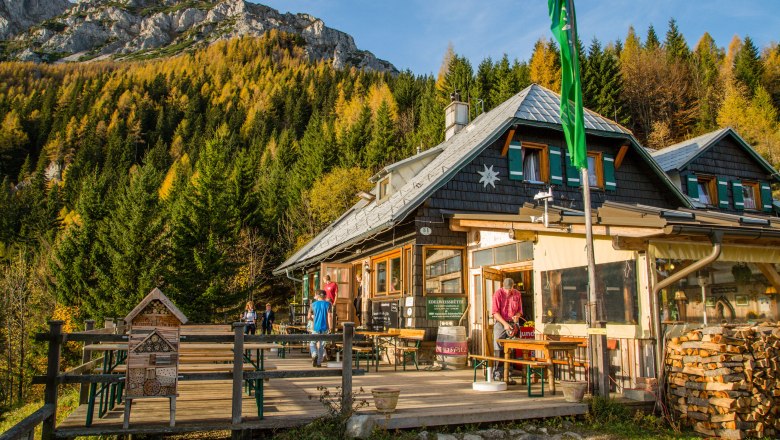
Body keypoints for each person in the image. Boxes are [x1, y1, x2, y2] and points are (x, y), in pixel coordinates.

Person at [492, 278, 523, 382]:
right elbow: (495, 312)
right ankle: (497, 373)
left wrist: (517, 316)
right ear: (503, 286)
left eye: (510, 289)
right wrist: (505, 324)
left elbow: (519, 311)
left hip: (513, 322)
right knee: (498, 346)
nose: (508, 291)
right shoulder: (498, 294)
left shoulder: (517, 294)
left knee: (512, 348)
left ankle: (509, 374)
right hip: (500, 322)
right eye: (506, 289)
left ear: (513, 286)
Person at [307, 290, 332, 367]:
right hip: (325, 328)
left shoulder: (313, 304)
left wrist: (313, 320)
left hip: (315, 327)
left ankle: (314, 354)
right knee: (321, 345)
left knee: (312, 343)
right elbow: (329, 316)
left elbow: (308, 317)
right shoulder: (328, 304)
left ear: (318, 296)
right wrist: (330, 327)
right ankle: (319, 362)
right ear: (325, 296)